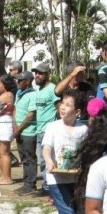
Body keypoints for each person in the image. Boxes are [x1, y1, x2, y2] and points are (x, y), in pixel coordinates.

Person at [43, 89, 88, 214]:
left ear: (77, 112)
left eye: (68, 105)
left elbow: (86, 151)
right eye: (62, 103)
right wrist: (48, 161)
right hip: (56, 178)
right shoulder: (53, 127)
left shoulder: (83, 129)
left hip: (76, 178)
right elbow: (46, 148)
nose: (63, 107)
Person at [32, 62, 59, 192]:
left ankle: (49, 187)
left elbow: (59, 108)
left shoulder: (52, 89)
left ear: (48, 74)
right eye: (36, 73)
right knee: (41, 160)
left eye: (40, 73)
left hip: (48, 131)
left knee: (47, 160)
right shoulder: (38, 91)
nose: (37, 75)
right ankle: (46, 185)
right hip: (39, 131)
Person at [13, 71, 38, 195]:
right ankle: (26, 182)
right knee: (23, 158)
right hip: (19, 131)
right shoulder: (19, 94)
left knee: (29, 158)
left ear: (27, 81)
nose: (17, 83)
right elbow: (15, 109)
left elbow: (31, 115)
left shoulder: (33, 95)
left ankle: (31, 184)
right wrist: (14, 126)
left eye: (20, 80)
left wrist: (19, 128)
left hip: (28, 132)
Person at [0, 75, 17, 185]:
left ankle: (7, 177)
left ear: (5, 84)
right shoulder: (2, 95)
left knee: (4, 152)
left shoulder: (8, 95)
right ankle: (3, 175)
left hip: (4, 124)